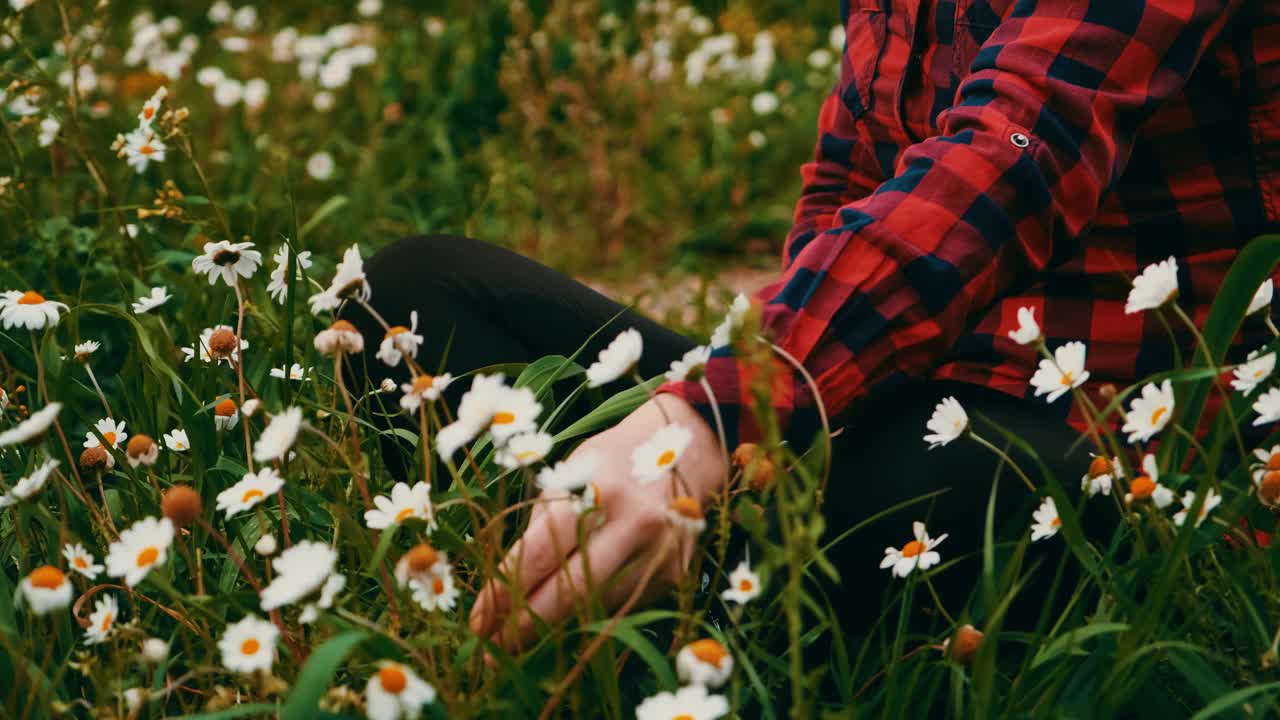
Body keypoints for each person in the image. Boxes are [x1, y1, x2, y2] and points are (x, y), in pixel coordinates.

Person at [346, 0, 1280, 654]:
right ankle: (659, 587)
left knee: (963, 483)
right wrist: (744, 419)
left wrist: (715, 418)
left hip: (1110, 452)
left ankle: (680, 612)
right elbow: (848, 180)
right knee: (410, 298)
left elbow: (1018, 149)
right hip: (885, 401)